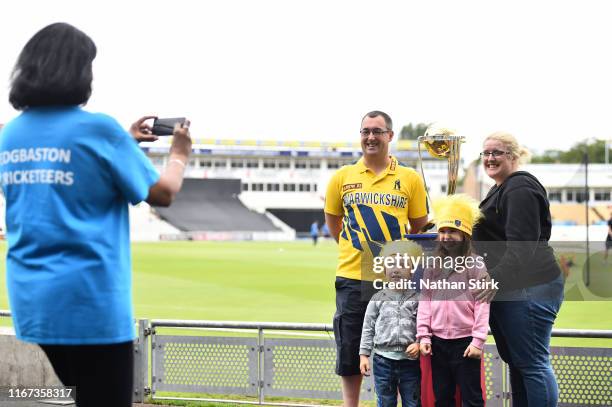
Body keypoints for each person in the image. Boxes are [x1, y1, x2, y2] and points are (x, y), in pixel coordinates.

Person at [0, 23, 191, 407]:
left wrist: (126, 139)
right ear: (77, 72)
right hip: (89, 301)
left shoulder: (11, 134)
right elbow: (164, 194)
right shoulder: (98, 129)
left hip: (33, 300)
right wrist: (180, 154)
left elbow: (65, 157)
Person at [324, 111, 429, 407]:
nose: (371, 137)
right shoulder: (342, 177)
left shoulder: (410, 178)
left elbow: (420, 227)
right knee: (350, 346)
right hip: (353, 275)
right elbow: (334, 222)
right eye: (365, 131)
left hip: (397, 281)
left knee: (399, 346)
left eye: (378, 131)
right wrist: (355, 250)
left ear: (390, 136)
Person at [472, 132, 564, 406]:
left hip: (529, 286)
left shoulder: (519, 187)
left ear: (513, 156)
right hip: (513, 288)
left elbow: (522, 247)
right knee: (520, 363)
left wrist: (492, 280)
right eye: (486, 153)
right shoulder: (501, 188)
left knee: (533, 363)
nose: (490, 158)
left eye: (497, 152)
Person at [417, 194, 489, 407]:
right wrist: (424, 336)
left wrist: (478, 341)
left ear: (464, 235)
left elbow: (483, 305)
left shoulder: (476, 265)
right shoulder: (432, 265)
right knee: (443, 397)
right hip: (437, 343)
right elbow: (425, 301)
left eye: (452, 231)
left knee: (472, 398)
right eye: (442, 231)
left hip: (466, 342)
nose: (446, 237)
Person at [359, 241, 422, 407]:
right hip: (383, 362)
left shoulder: (418, 299)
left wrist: (418, 343)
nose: (396, 269)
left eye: (402, 265)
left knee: (413, 403)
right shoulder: (377, 298)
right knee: (385, 403)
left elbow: (425, 326)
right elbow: (368, 328)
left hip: (410, 362)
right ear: (384, 270)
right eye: (391, 264)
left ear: (411, 272)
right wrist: (364, 355)